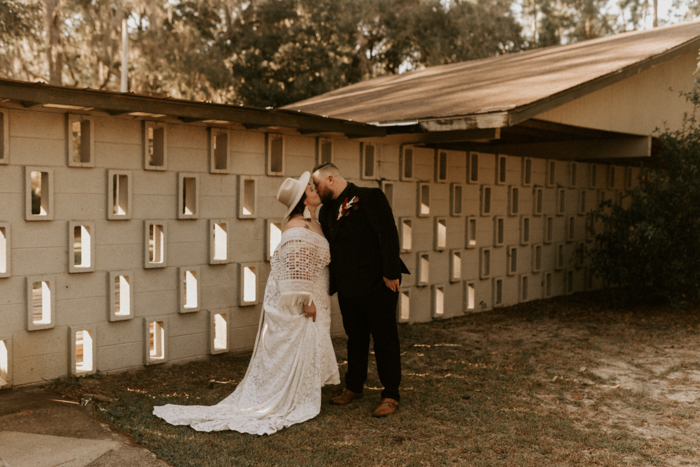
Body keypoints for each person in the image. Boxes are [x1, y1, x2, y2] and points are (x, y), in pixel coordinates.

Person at [153, 172, 339, 435]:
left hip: (314, 292)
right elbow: (295, 267)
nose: (315, 190)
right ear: (301, 200)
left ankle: (303, 388)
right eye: (310, 189)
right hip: (299, 297)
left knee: (310, 339)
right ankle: (286, 394)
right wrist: (307, 300)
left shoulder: (315, 223)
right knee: (296, 341)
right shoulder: (297, 226)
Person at [312, 162, 408, 418]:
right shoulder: (325, 212)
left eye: (317, 185)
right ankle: (354, 386)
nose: (315, 190)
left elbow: (387, 234)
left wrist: (391, 273)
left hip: (379, 284)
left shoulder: (369, 197)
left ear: (330, 179)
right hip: (347, 287)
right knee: (355, 338)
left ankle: (390, 394)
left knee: (385, 339)